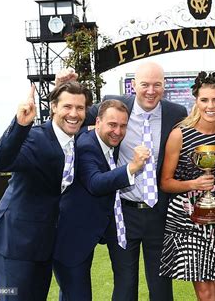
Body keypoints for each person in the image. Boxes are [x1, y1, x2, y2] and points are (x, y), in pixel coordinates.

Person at [84, 61, 187, 301]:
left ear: (164, 86)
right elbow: (75, 113)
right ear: (133, 86)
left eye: (157, 85)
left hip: (159, 212)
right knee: (125, 285)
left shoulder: (176, 113)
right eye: (145, 85)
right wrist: (64, 86)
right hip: (123, 213)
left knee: (162, 288)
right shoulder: (116, 105)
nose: (151, 90)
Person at [0, 81, 92, 300]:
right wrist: (20, 125)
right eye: (67, 107)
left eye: (80, 108)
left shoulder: (75, 140)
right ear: (53, 107)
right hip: (15, 245)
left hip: (44, 245)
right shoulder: (34, 137)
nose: (74, 113)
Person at [53, 99, 150, 300]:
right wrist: (131, 168)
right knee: (77, 295)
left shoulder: (110, 143)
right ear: (97, 122)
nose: (118, 131)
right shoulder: (86, 145)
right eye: (112, 124)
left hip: (95, 228)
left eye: (123, 126)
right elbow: (95, 183)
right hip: (71, 236)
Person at [159, 71, 215, 301]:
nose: (210, 105)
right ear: (196, 101)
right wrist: (193, 183)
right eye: (204, 100)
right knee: (204, 290)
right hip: (187, 217)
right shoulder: (179, 135)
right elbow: (165, 182)